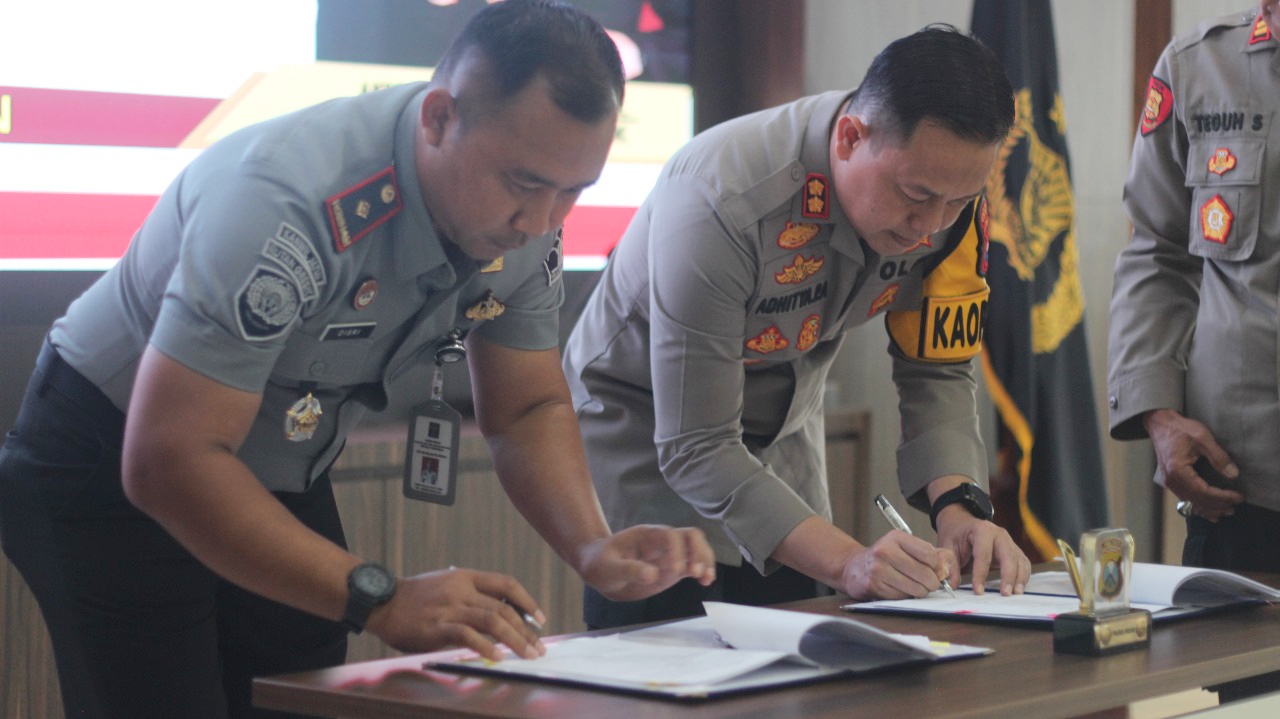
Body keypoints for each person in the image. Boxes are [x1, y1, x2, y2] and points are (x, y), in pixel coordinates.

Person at [0, 2, 716, 717]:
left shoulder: (528, 217)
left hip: (277, 460)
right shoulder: (287, 201)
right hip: (112, 458)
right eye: (525, 184)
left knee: (303, 701)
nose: (542, 222)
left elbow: (527, 406)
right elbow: (168, 459)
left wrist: (593, 546)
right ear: (438, 119)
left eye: (574, 191)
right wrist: (384, 595)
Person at [561, 24, 1032, 631]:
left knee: (799, 661)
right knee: (667, 657)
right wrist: (850, 562)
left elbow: (936, 366)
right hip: (647, 430)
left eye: (957, 203)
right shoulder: (719, 198)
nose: (929, 227)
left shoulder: (952, 203)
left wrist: (960, 507)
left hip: (782, 430)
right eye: (915, 195)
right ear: (848, 137)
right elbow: (696, 444)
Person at [1107, 0, 1280, 701]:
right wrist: (1157, 412)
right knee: (1249, 703)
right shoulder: (1197, 65)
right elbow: (1155, 253)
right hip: (1241, 498)